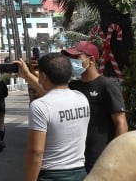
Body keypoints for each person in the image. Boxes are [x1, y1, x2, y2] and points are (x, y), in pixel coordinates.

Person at [61, 41, 127, 172]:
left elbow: (121, 122)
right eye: (70, 58)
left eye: (76, 57)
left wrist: (118, 155)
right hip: (76, 158)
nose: (71, 61)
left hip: (100, 157)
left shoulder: (106, 86)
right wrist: (29, 77)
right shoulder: (73, 86)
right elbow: (51, 97)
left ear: (91, 60)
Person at [23, 52, 90, 181]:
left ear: (43, 76)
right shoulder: (82, 98)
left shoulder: (39, 106)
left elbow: (35, 152)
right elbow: (54, 100)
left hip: (51, 175)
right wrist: (27, 75)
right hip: (80, 173)